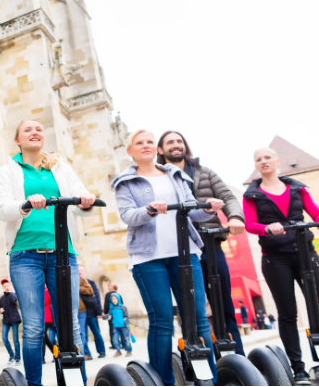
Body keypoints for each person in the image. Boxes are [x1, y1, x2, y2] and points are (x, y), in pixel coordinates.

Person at [111, 130, 224, 385]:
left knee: (197, 319)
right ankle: (163, 381)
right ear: (130, 151)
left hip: (185, 253)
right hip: (147, 259)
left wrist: (206, 208)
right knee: (162, 320)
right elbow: (128, 215)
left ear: (157, 149)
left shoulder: (175, 175)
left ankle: (209, 380)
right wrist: (149, 210)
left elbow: (192, 211)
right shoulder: (125, 181)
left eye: (150, 141)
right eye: (139, 143)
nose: (146, 146)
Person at [0, 118, 97, 386]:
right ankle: (34, 384)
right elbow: (2, 208)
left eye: (39, 128)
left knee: (70, 324)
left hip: (64, 253)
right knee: (33, 327)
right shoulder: (9, 171)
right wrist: (26, 203)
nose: (35, 132)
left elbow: (81, 197)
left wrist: (86, 201)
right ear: (18, 140)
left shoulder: (60, 169)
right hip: (25, 255)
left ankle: (76, 383)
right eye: (27, 129)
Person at [157, 131, 247, 355]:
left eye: (179, 141)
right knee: (191, 309)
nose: (176, 145)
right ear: (161, 150)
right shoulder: (157, 176)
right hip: (179, 249)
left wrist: (235, 217)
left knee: (224, 304)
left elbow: (228, 197)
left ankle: (238, 360)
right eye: (170, 142)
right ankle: (201, 360)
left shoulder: (204, 172)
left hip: (210, 245)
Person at [242, 146, 319, 385]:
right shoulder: (252, 194)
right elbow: (250, 224)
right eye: (258, 159)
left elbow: (315, 213)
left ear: (277, 161)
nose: (263, 161)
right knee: (287, 314)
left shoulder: (297, 188)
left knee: (317, 305)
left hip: (305, 253)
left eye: (267, 157)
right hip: (276, 258)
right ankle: (299, 370)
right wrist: (267, 227)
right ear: (255, 165)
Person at [79, 268, 106, 359]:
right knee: (83, 334)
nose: (80, 272)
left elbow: (96, 297)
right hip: (81, 312)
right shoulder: (75, 281)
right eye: (78, 270)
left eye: (81, 270)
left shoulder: (90, 282)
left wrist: (99, 311)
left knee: (96, 332)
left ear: (84, 271)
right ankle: (87, 354)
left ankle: (101, 351)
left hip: (91, 311)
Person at [0, 279, 22, 366]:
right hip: (6, 320)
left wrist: (11, 291)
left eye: (7, 286)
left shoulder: (13, 295)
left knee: (15, 340)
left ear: (10, 286)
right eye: (4, 286)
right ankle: (12, 355)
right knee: (4, 338)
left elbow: (14, 301)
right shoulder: (2, 298)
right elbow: (0, 307)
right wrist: (0, 310)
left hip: (14, 319)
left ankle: (17, 358)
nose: (6, 287)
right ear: (3, 287)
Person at [76, 267, 94, 361]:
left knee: (81, 332)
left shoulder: (80, 278)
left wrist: (77, 288)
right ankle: (85, 353)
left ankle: (81, 354)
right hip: (68, 310)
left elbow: (90, 290)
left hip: (81, 310)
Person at [42, 286, 57, 364]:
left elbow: (45, 302)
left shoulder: (46, 292)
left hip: (47, 317)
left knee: (42, 337)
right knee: (46, 339)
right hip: (43, 317)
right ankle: (56, 354)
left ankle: (42, 358)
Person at [103, 284, 120, 350]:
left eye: (110, 285)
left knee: (112, 330)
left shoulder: (108, 294)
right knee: (120, 329)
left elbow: (106, 304)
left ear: (112, 287)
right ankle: (122, 344)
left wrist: (106, 313)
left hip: (111, 314)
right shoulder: (118, 294)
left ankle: (114, 344)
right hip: (119, 315)